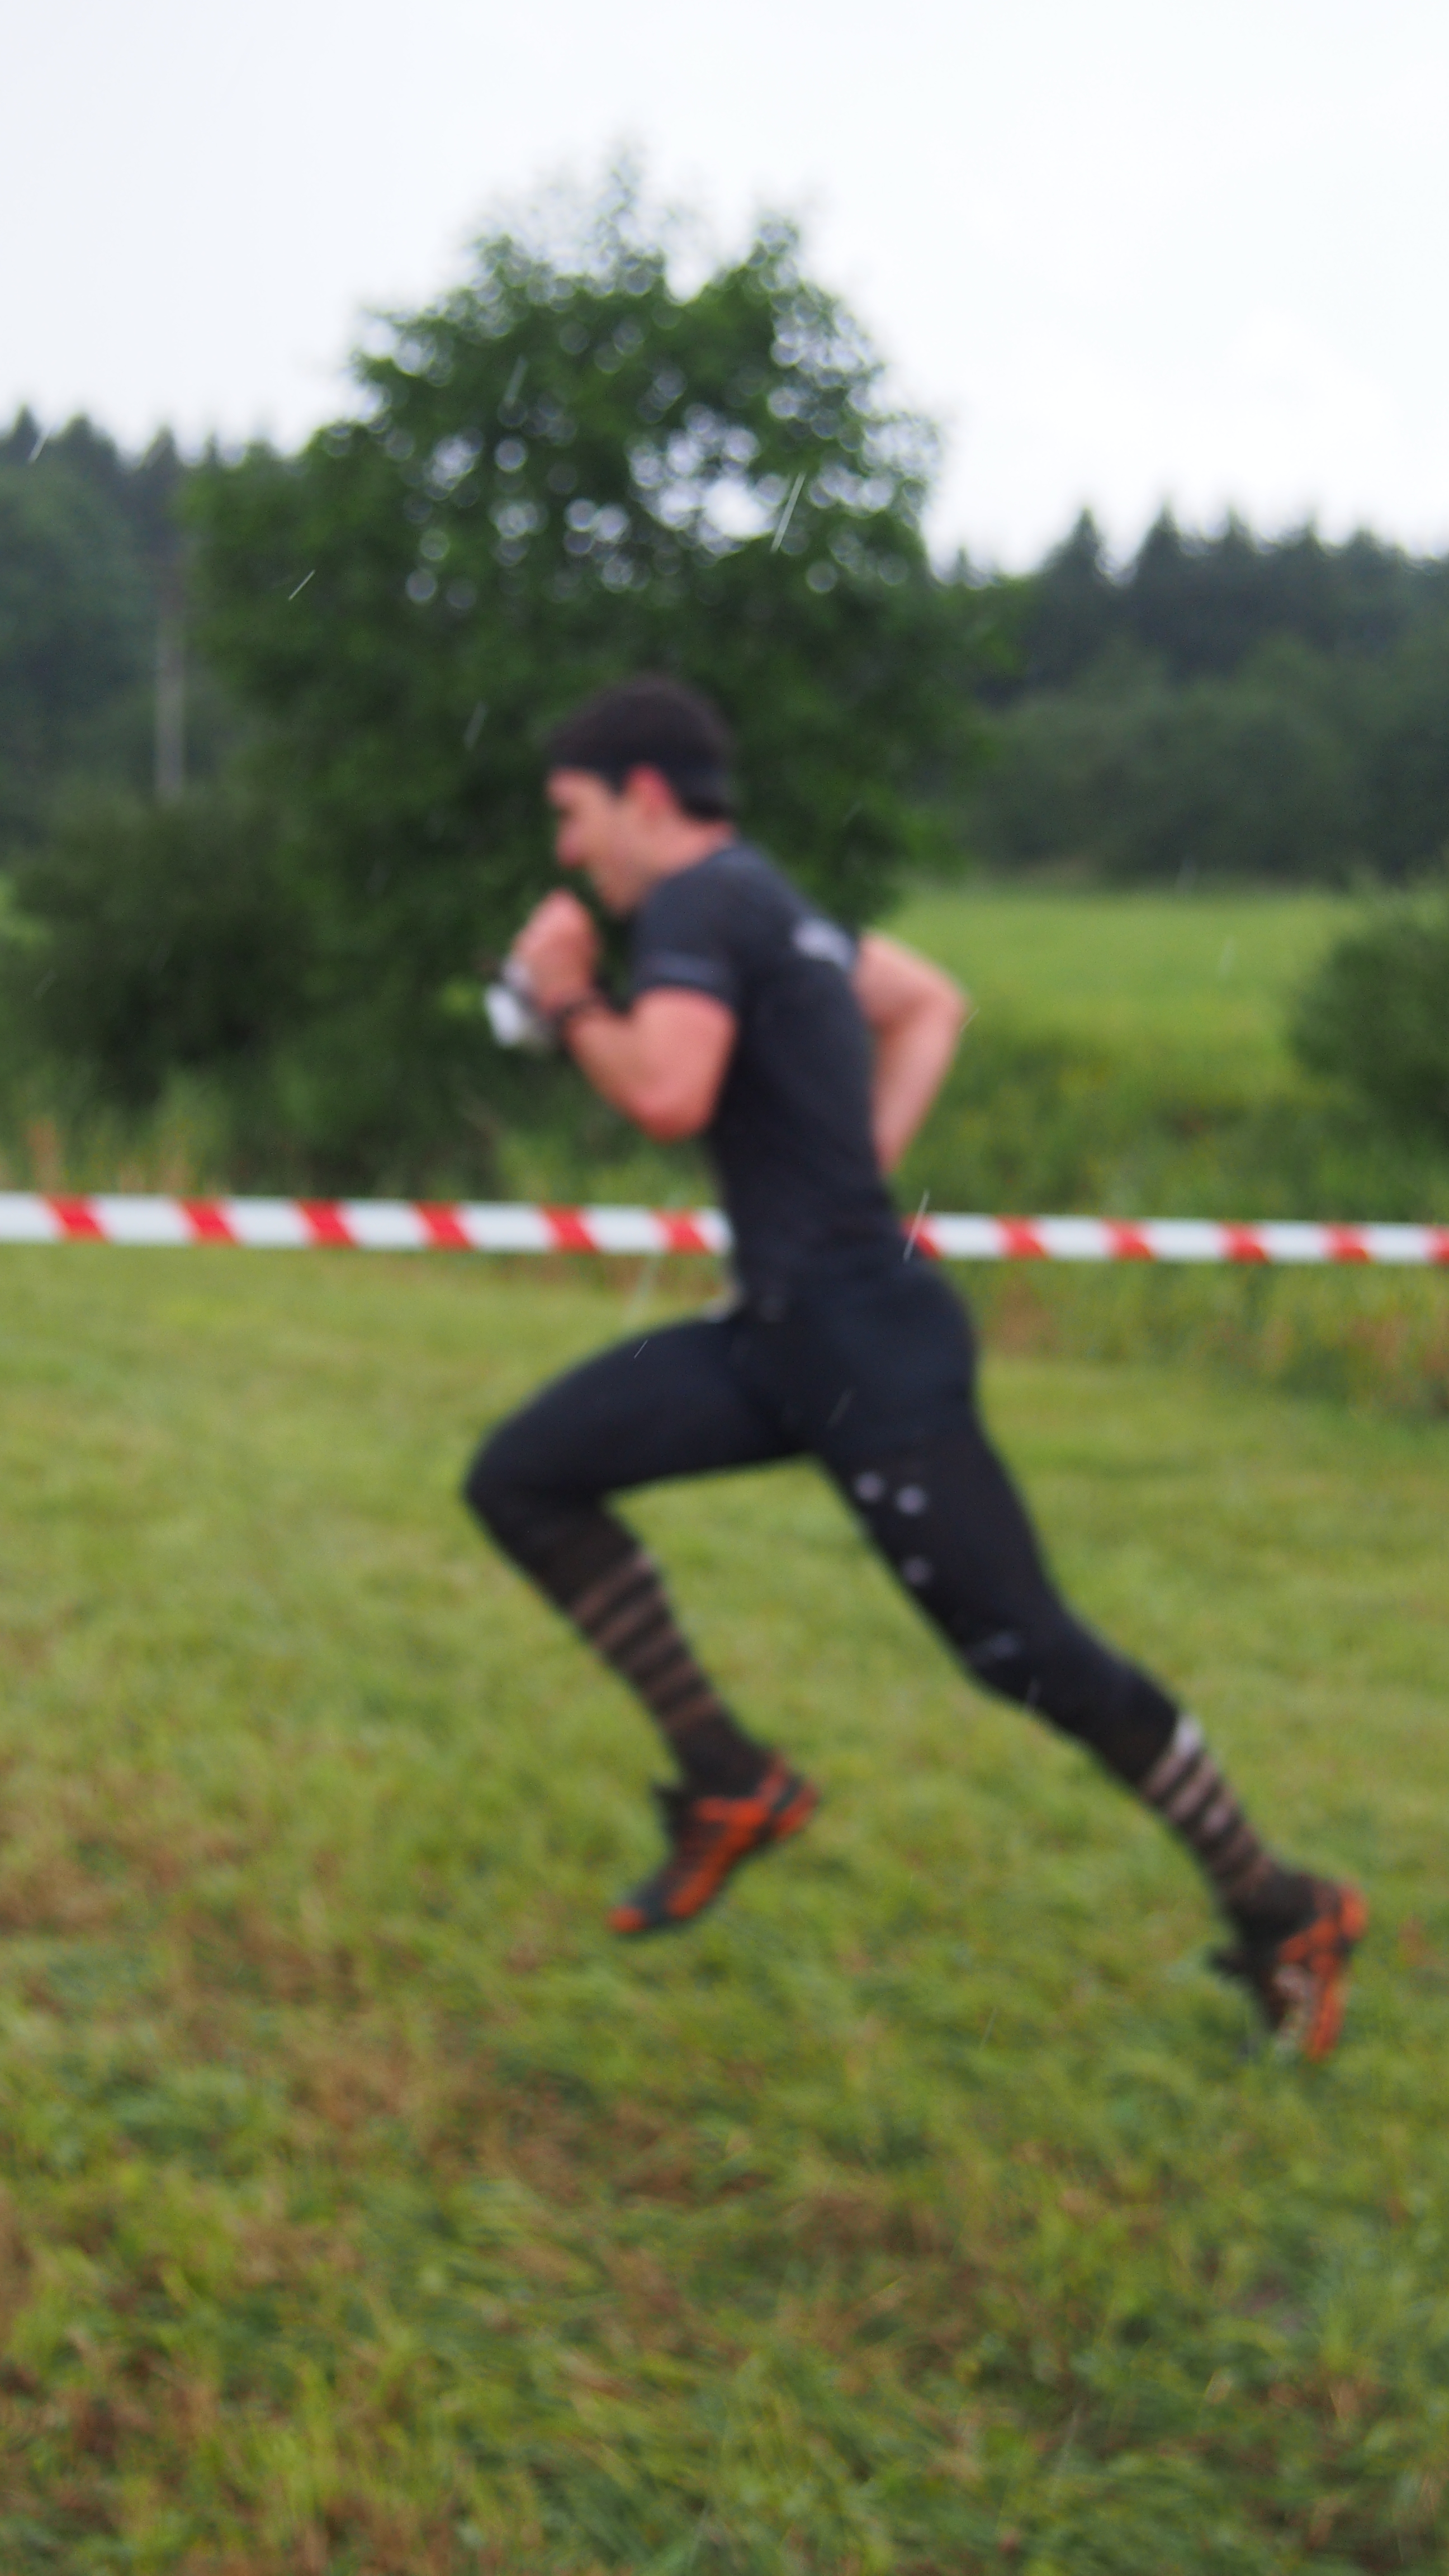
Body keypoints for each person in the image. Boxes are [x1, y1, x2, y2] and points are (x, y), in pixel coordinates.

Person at [465, 674, 1365, 2059]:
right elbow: (929, 1000)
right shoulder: (778, 903)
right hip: (790, 1328)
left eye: (574, 815)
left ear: (644, 796)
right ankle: (727, 1776)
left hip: (859, 1346)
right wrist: (854, 1174)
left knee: (1029, 1652)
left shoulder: (698, 904)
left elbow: (668, 1092)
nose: (568, 851)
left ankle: (1283, 1905)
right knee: (525, 1476)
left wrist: (570, 991)